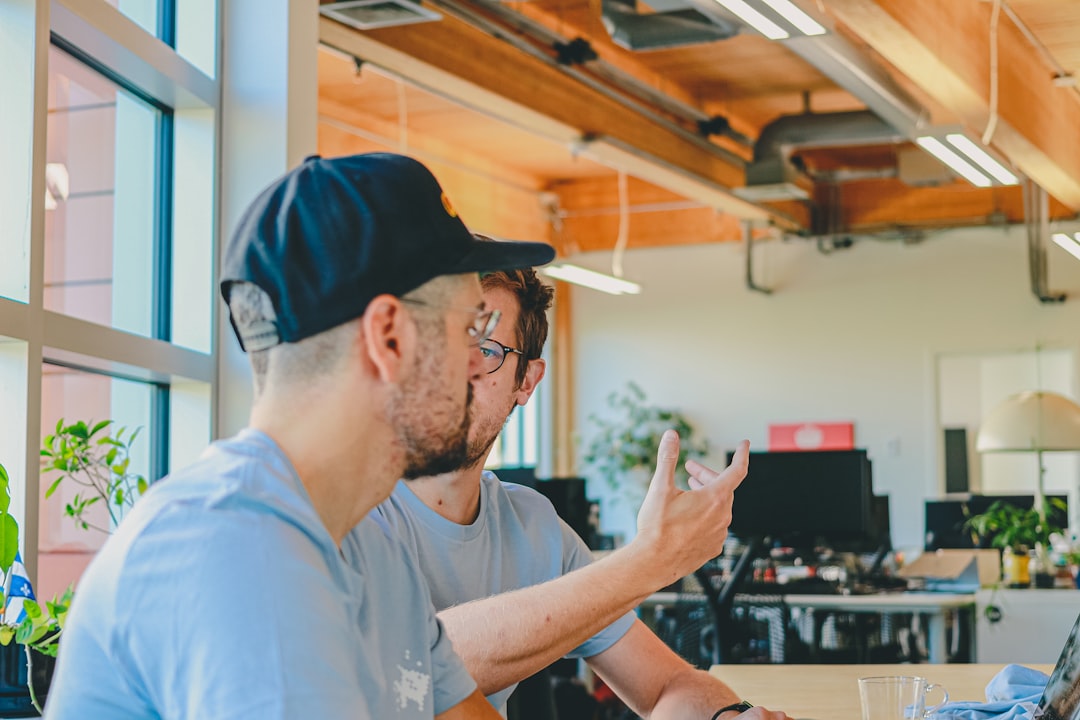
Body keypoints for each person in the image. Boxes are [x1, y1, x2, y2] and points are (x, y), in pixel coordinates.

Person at [44, 153, 555, 719]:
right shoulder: (237, 554)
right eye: (466, 332)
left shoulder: (374, 551)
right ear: (388, 339)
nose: (477, 369)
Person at [371, 266, 792, 720]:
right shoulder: (348, 512)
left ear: (526, 381)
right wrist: (650, 559)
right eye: (439, 341)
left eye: (486, 349)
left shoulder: (531, 526)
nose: (456, 370)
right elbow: (414, 666)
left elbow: (667, 684)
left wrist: (725, 717)